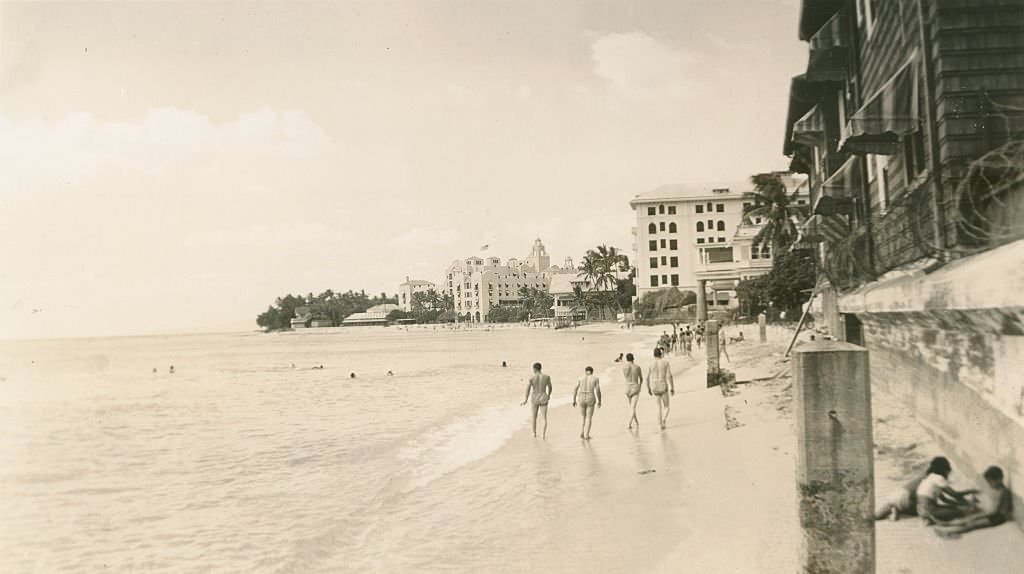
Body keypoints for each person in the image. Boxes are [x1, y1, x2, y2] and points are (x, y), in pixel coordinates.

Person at [935, 466, 1014, 538]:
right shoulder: (996, 490)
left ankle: (948, 532)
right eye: (988, 482)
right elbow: (992, 510)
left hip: (998, 518)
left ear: (999, 479)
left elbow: (994, 511)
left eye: (991, 482)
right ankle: (946, 524)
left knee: (972, 524)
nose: (989, 484)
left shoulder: (1002, 492)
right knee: (968, 519)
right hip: (994, 515)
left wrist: (978, 516)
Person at [916, 456, 979, 524]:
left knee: (954, 508)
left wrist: (958, 504)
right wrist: (971, 491)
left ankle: (929, 518)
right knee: (958, 512)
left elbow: (944, 499)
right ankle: (932, 518)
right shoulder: (938, 478)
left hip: (921, 510)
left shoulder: (929, 477)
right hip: (930, 509)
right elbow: (954, 494)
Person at [521, 362, 552, 439]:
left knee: (534, 417)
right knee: (544, 418)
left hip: (535, 398)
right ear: (540, 368)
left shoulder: (531, 378)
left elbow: (527, 390)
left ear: (534, 369)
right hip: (543, 397)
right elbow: (550, 387)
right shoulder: (547, 377)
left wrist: (525, 400)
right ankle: (543, 435)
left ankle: (534, 433)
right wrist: (548, 395)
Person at [646, 347, 675, 429]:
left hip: (654, 386)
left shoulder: (651, 364)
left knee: (658, 408)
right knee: (666, 407)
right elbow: (669, 376)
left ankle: (659, 425)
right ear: (661, 354)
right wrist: (672, 388)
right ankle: (664, 420)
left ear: (653, 355)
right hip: (663, 385)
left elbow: (647, 378)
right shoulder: (665, 362)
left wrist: (648, 388)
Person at [573, 366, 602, 440]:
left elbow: (575, 389)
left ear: (585, 371)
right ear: (592, 371)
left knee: (583, 417)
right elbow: (598, 391)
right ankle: (587, 435)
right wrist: (599, 401)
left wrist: (574, 400)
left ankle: (582, 432)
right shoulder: (595, 378)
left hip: (581, 396)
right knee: (589, 417)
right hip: (590, 396)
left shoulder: (580, 378)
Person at [622, 353, 643, 429]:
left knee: (631, 406)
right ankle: (629, 424)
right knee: (633, 407)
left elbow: (625, 376)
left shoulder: (624, 367)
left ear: (626, 359)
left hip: (627, 387)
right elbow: (641, 379)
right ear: (633, 359)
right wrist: (640, 387)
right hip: (635, 386)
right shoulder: (637, 367)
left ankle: (636, 421)